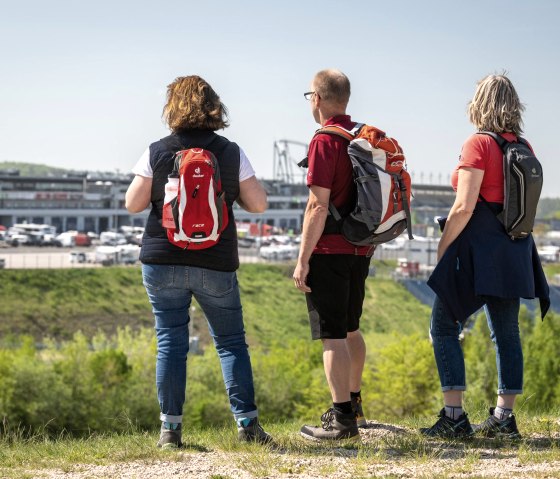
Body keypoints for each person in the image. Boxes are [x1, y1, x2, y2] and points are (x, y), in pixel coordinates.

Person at [125, 75, 272, 448]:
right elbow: (258, 204)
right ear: (214, 106)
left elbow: (133, 203)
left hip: (161, 260)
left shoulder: (157, 151)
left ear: (172, 108)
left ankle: (170, 432)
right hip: (216, 261)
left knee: (170, 343)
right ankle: (247, 427)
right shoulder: (230, 151)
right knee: (231, 343)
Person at [421, 74, 550, 439]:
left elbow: (463, 207)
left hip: (477, 249)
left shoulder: (477, 143)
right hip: (514, 248)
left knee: (443, 326)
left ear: (479, 103)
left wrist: (443, 248)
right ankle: (504, 418)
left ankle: (454, 415)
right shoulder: (525, 146)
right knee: (506, 332)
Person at [294, 69, 376, 441]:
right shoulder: (361, 135)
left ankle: (342, 420)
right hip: (361, 247)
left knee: (332, 337)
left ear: (318, 98)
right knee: (350, 328)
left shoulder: (325, 140)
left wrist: (303, 257)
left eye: (310, 95)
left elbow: (317, 205)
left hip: (329, 249)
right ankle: (354, 405)